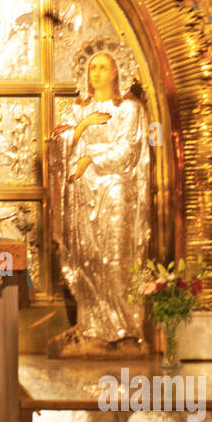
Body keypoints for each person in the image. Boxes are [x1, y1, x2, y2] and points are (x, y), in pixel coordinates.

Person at [48, 51, 151, 356]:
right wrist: (83, 127)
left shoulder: (130, 108)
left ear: (117, 72)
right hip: (84, 191)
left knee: (116, 258)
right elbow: (58, 141)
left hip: (116, 189)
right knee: (88, 257)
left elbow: (128, 150)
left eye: (103, 67)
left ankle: (125, 330)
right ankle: (92, 327)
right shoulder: (78, 109)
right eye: (92, 67)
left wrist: (90, 158)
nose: (96, 73)